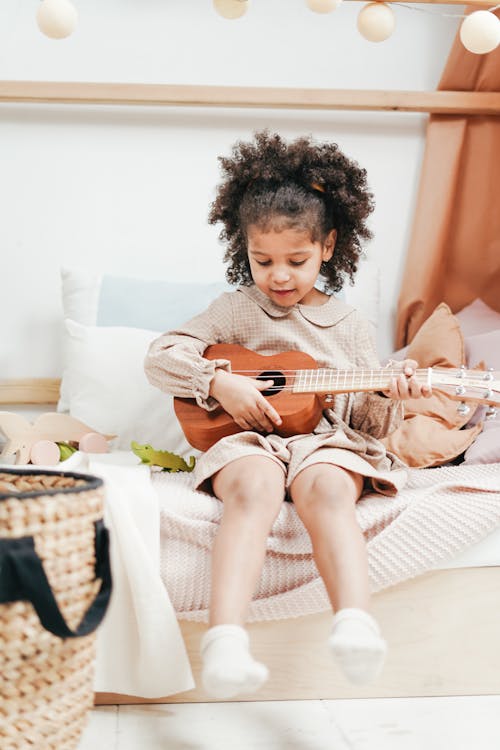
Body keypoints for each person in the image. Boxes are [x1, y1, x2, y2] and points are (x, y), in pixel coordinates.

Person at [145, 131, 431, 699]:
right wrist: (218, 381)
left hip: (321, 443)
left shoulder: (348, 327)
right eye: (263, 260)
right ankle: (225, 639)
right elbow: (160, 357)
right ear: (242, 250)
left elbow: (365, 429)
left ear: (327, 247)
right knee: (251, 487)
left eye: (296, 261)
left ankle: (354, 625)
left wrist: (389, 394)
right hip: (250, 441)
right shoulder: (234, 308)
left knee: (328, 490)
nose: (279, 276)